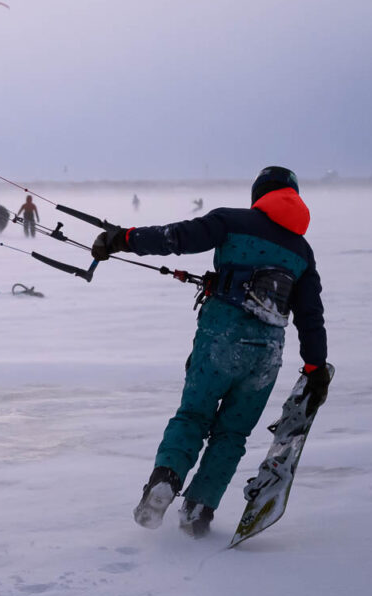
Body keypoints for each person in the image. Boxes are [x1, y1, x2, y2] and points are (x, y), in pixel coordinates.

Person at [91, 166, 330, 538]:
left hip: (221, 339)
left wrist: (123, 238)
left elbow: (176, 238)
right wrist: (316, 368)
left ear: (259, 195)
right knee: (232, 434)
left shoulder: (232, 221)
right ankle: (199, 510)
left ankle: (165, 481)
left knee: (193, 416)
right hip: (267, 355)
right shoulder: (303, 252)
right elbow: (311, 317)